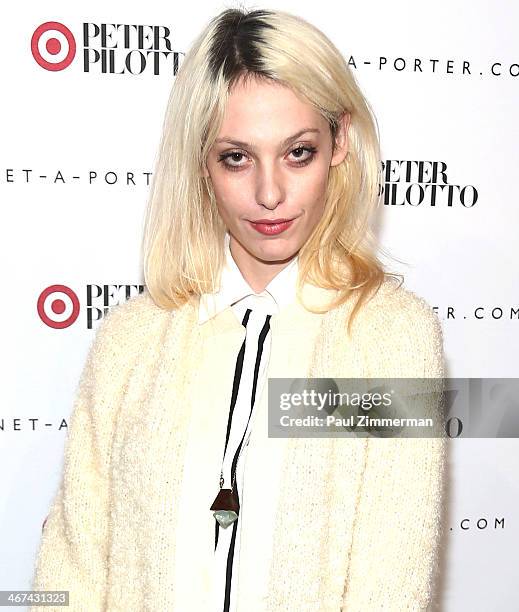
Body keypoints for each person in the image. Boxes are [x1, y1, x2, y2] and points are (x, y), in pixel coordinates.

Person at [30, 7, 447, 612]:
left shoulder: (391, 339)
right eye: (237, 157)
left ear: (340, 143)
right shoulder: (130, 340)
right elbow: (70, 570)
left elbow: (392, 582)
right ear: (201, 163)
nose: (269, 193)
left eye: (298, 152)